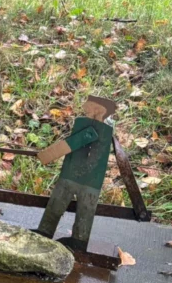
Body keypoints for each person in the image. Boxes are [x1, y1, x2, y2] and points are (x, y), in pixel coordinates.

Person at [36, 95, 118, 252]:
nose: (85, 107)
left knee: (83, 209)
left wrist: (48, 154)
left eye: (89, 105)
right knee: (61, 204)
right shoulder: (93, 125)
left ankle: (77, 241)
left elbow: (79, 140)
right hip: (76, 174)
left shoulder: (98, 129)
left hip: (82, 177)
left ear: (99, 110)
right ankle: (48, 232)